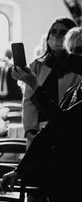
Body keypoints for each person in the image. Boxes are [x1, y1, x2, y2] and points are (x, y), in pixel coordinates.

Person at [1, 26, 82, 202]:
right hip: (64, 182)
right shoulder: (75, 89)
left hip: (78, 181)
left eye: (78, 51)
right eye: (71, 51)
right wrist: (20, 168)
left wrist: (33, 84)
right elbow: (49, 134)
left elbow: (63, 123)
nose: (72, 57)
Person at [22, 17, 80, 145]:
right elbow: (29, 100)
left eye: (62, 32)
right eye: (53, 31)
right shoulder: (37, 65)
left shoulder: (76, 67)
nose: (56, 36)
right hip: (38, 130)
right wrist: (30, 130)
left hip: (64, 130)